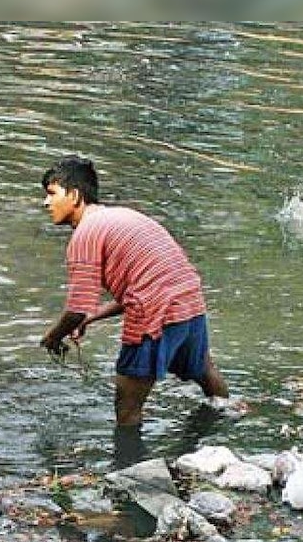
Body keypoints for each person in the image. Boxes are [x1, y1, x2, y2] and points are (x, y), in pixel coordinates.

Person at [39, 156, 231, 427]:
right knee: (204, 371)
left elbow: (76, 309)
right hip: (189, 299)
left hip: (155, 311)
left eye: (51, 194)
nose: (46, 203)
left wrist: (51, 337)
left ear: (74, 195)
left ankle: (129, 467)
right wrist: (90, 319)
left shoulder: (84, 235)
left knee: (127, 406)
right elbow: (140, 287)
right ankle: (223, 429)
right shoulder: (124, 216)